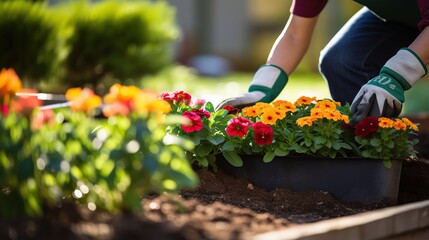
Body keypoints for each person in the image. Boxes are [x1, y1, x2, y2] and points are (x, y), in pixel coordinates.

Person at [216, 0, 429, 123]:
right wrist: (261, 90)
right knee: (341, 61)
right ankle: (379, 150)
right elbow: (295, 33)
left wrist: (395, 76)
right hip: (400, 16)